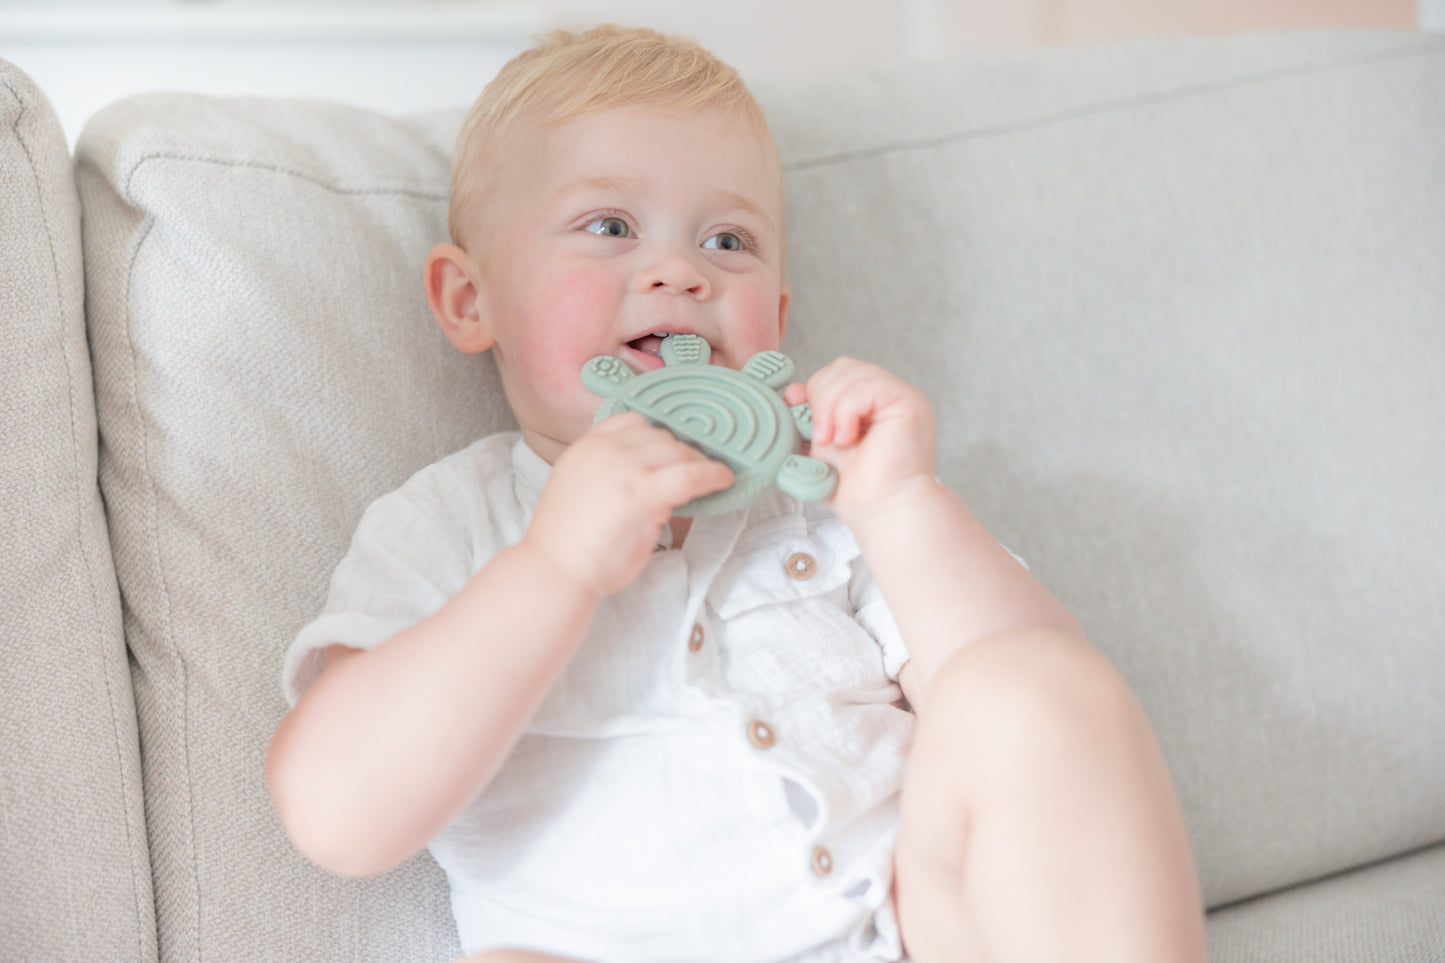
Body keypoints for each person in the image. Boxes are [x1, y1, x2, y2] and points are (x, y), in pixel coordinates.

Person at [266, 24, 1208, 963]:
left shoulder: (825, 501)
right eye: (609, 226)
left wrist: (901, 505)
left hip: (906, 930)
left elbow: (1038, 711)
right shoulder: (448, 524)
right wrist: (551, 566)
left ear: (780, 318)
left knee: (1034, 690)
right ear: (472, 300)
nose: (680, 271)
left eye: (728, 239)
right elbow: (337, 813)